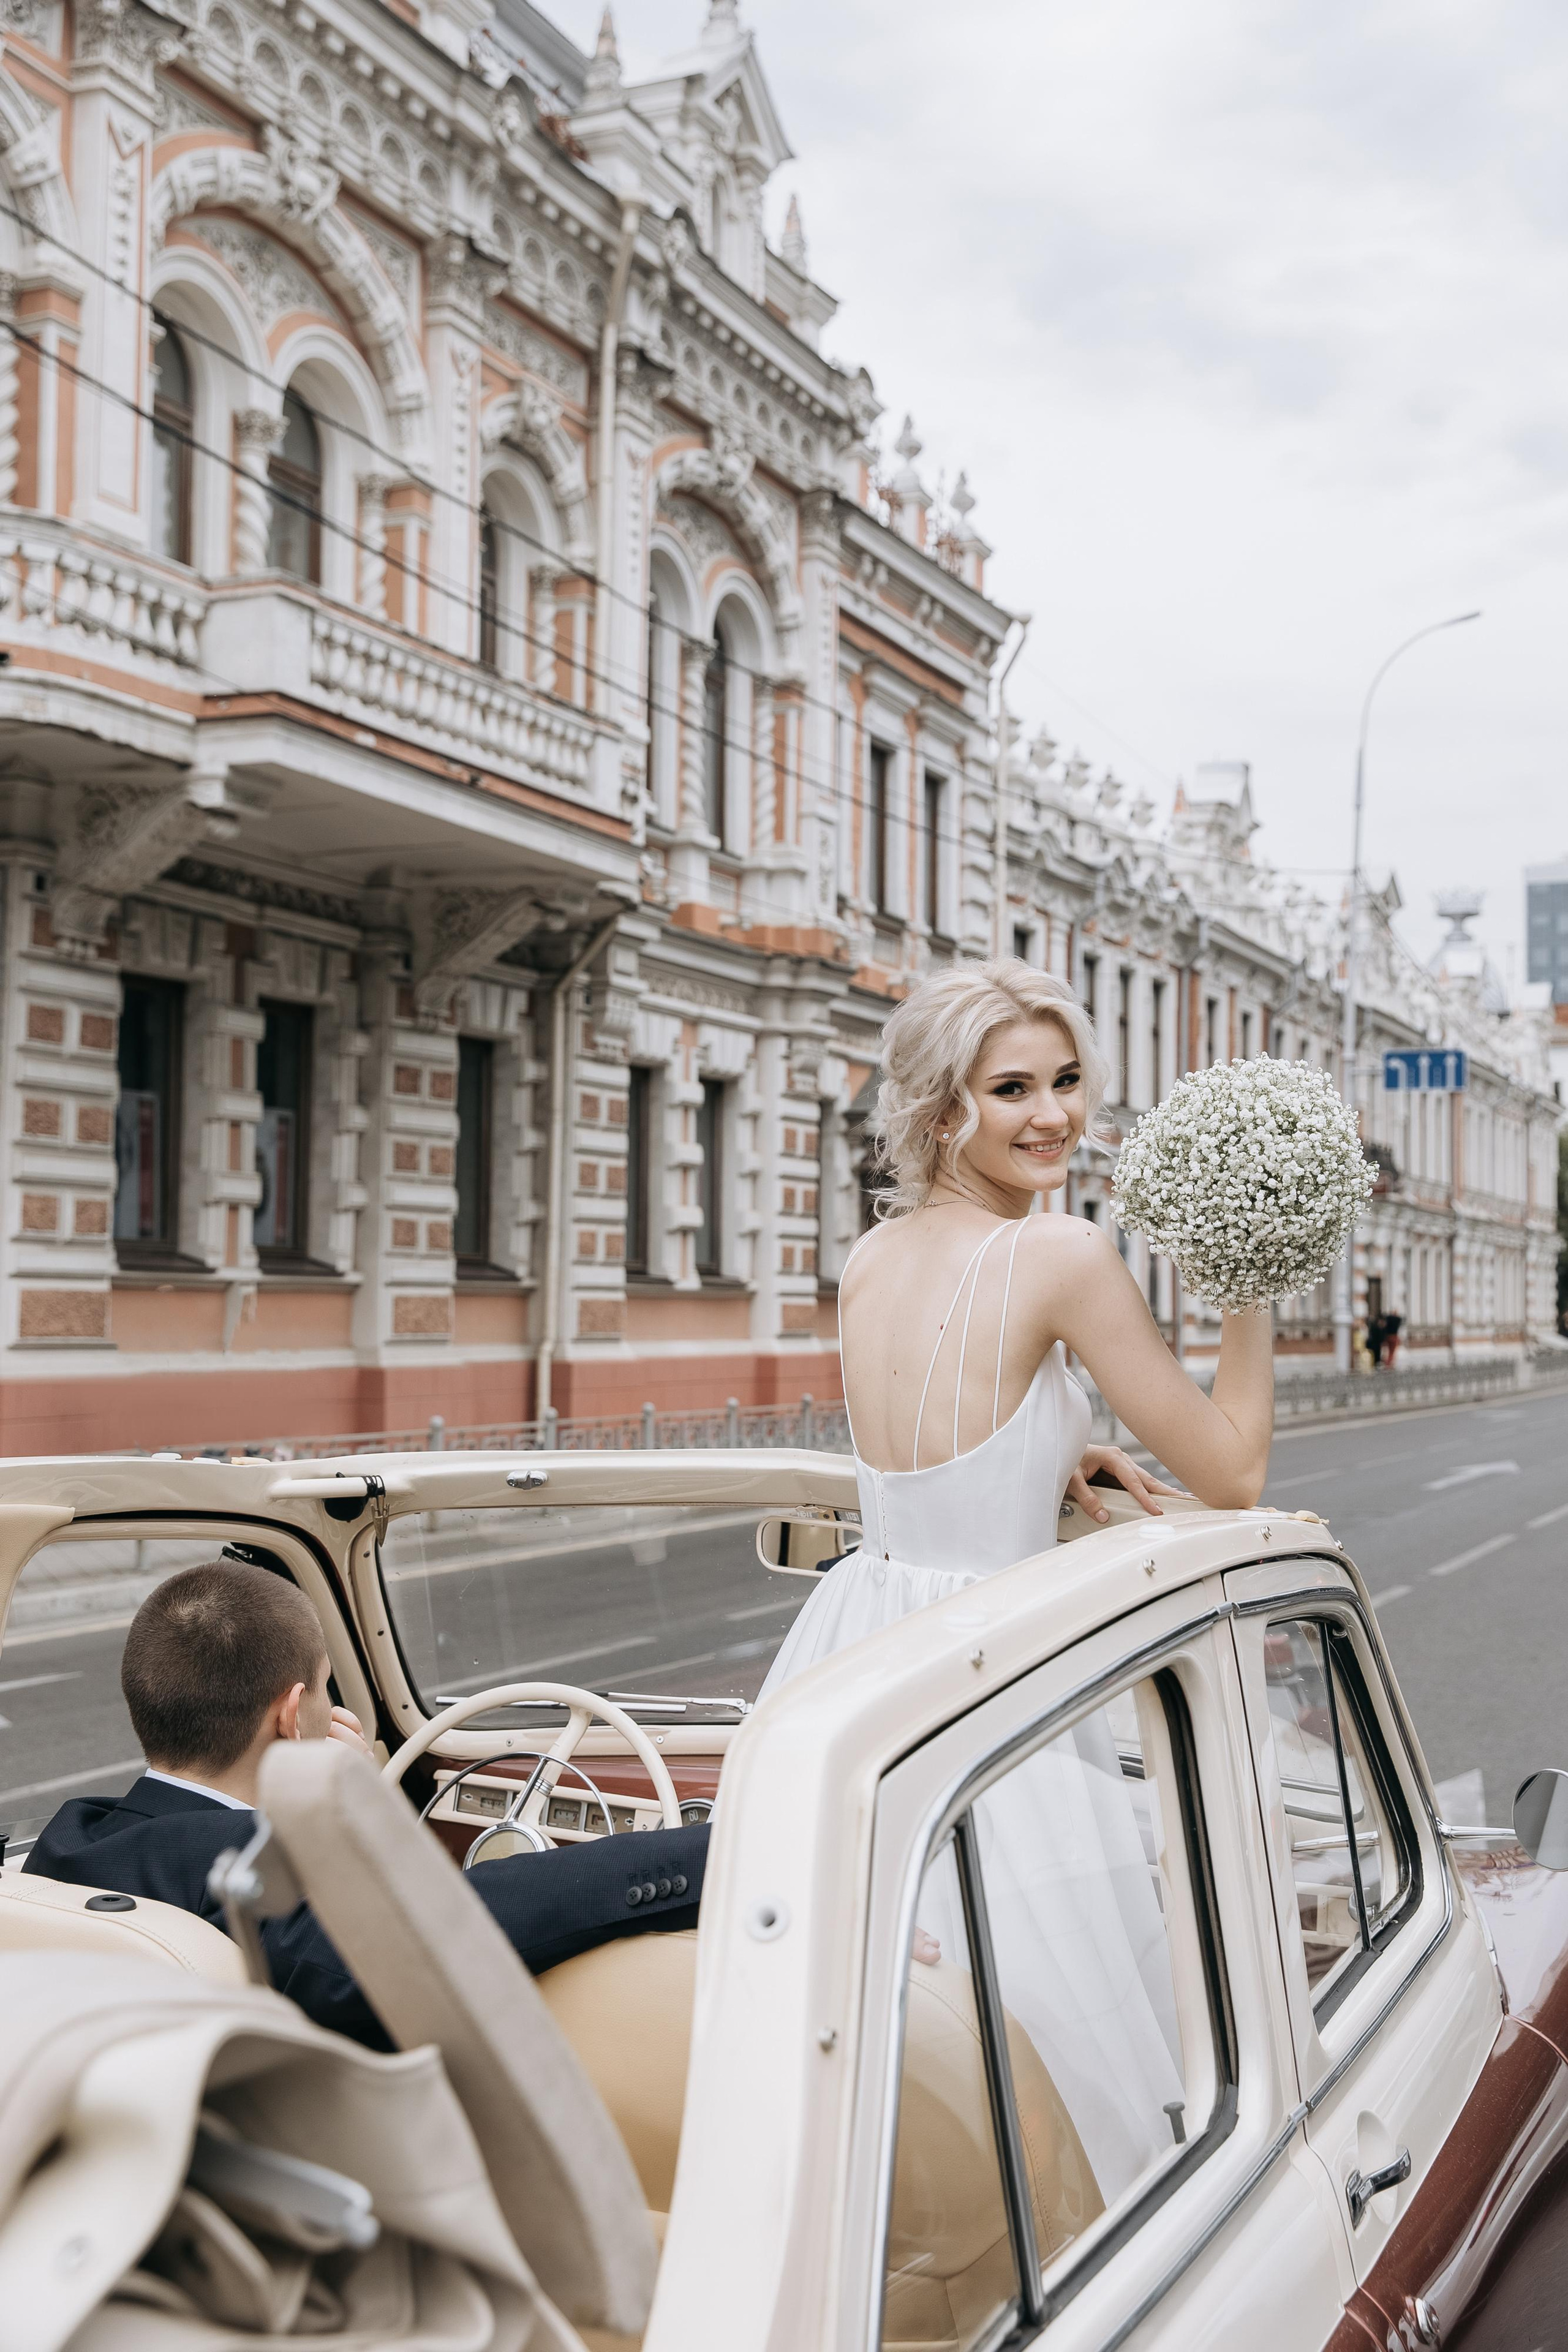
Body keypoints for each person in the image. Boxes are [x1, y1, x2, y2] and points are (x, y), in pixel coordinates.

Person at [760, 957, 1273, 2203]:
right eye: (1010, 1089)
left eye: (1064, 1080)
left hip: (861, 1638)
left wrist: (1047, 1453)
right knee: (1036, 2017)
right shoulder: (1059, 1254)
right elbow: (1232, 1473)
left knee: (874, 1996)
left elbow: (932, 1453)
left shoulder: (871, 1257)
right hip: (989, 1665)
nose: (1053, 1113)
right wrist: (1258, 1275)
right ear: (942, 1110)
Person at [26, 1559, 708, 2049]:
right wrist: (718, 1848)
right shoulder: (254, 1887)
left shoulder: (64, 1848)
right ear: (294, 1715)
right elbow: (462, 1921)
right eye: (327, 1687)